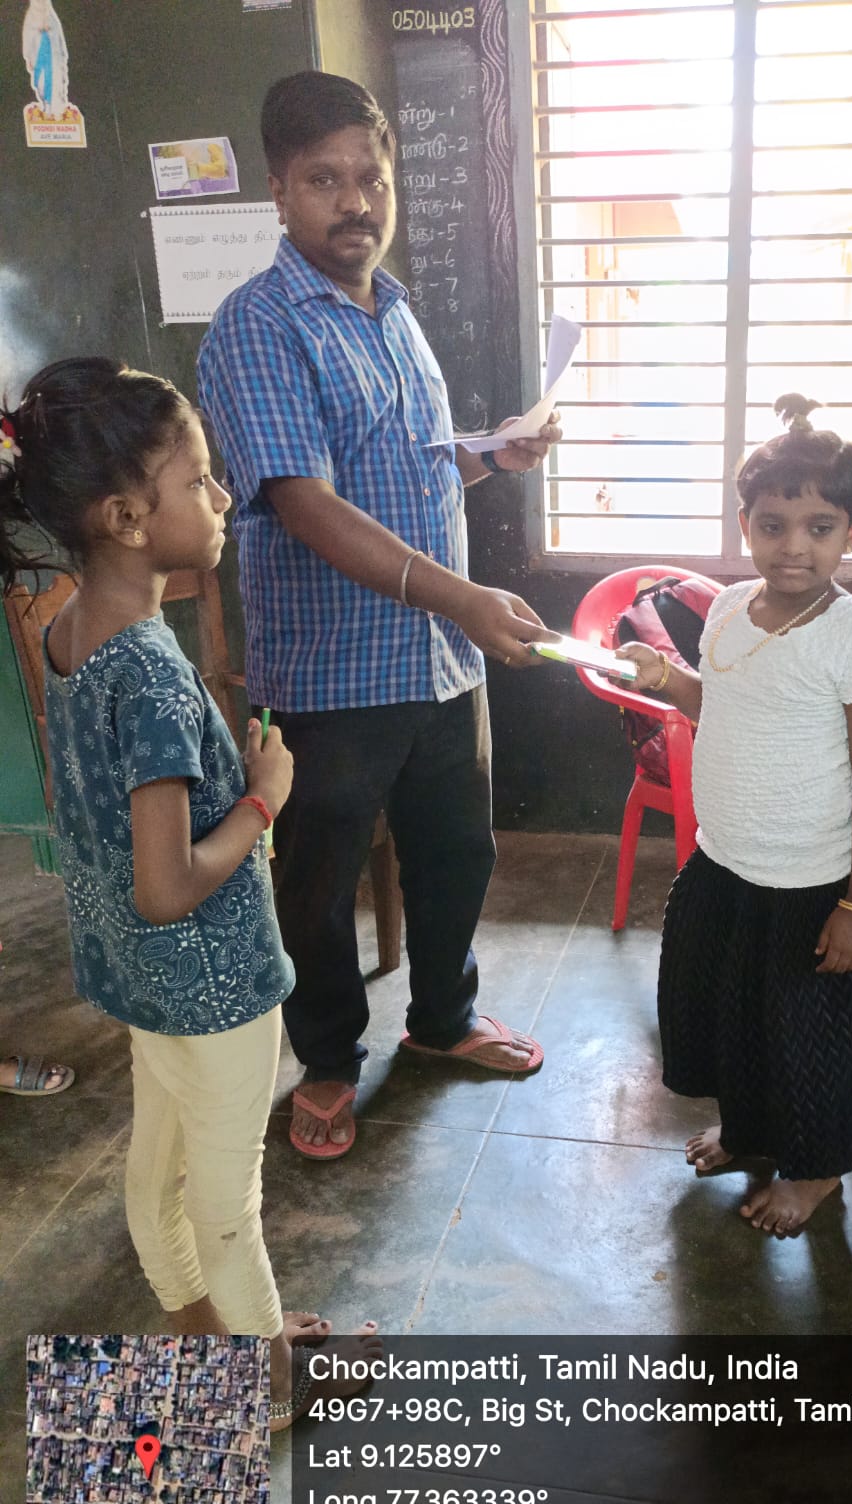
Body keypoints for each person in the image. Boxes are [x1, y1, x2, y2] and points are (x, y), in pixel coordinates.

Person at [0, 357, 378, 1427]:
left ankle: (206, 1331)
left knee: (157, 1165)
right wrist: (263, 796)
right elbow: (169, 886)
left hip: (133, 974)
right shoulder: (155, 674)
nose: (221, 497)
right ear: (126, 517)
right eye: (199, 480)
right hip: (212, 985)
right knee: (224, 1197)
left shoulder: (65, 629)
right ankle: (273, 1382)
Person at [197, 71, 558, 1162]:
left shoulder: (392, 311)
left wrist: (490, 456)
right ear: (278, 190)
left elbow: (412, 476)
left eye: (372, 177)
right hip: (332, 674)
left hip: (443, 659)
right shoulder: (257, 327)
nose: (356, 202)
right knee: (318, 880)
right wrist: (466, 598)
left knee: (456, 855)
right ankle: (326, 1060)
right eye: (325, 180)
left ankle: (442, 1019)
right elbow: (307, 506)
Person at [617, 397, 852, 1237]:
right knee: (738, 1019)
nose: (794, 547)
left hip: (817, 883)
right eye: (773, 525)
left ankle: (816, 1169)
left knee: (811, 1042)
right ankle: (750, 1132)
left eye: (820, 528)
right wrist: (665, 678)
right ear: (745, 522)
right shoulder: (728, 606)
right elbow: (719, 704)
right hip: (727, 866)